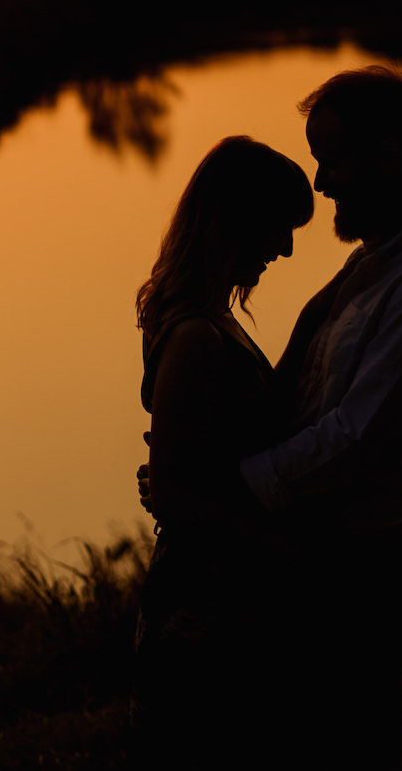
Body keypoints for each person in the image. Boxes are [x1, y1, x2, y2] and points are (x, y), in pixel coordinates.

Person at [137, 66, 402, 765]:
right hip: (310, 563)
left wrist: (217, 487)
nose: (323, 181)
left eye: (330, 158)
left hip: (362, 564)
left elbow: (352, 438)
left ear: (388, 155)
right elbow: (297, 406)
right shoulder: (374, 268)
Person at [130, 134, 315, 764]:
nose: (285, 248)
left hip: (226, 597)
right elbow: (179, 494)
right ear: (236, 223)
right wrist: (293, 557)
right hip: (204, 610)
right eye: (276, 228)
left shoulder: (208, 321)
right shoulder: (196, 338)